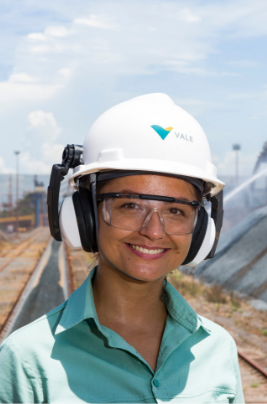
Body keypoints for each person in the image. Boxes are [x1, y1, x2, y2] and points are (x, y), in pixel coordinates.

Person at [0, 93, 244, 403]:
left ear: (200, 230)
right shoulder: (25, 362)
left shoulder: (218, 349)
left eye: (176, 211)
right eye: (130, 205)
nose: (153, 231)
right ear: (83, 216)